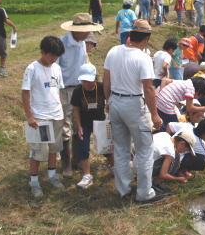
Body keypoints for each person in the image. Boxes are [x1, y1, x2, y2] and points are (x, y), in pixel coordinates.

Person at [103, 19, 164, 204]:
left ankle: (123, 190)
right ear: (145, 40)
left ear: (130, 36)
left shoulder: (113, 51)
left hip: (115, 101)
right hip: (134, 105)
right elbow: (148, 89)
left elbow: (106, 79)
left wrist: (108, 101)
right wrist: (154, 114)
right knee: (144, 150)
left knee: (121, 149)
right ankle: (145, 193)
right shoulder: (143, 58)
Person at [58, 13, 103, 178]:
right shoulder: (61, 43)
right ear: (76, 30)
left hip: (80, 89)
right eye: (86, 31)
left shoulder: (83, 43)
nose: (88, 34)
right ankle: (66, 164)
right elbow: (54, 70)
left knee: (79, 125)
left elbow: (85, 63)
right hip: (63, 89)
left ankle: (78, 160)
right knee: (65, 128)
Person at [22, 36, 66, 198]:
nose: (53, 59)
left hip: (56, 115)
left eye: (56, 56)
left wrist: (61, 110)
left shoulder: (57, 68)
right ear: (43, 52)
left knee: (54, 149)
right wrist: (30, 116)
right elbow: (25, 93)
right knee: (38, 152)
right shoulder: (32, 68)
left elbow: (59, 91)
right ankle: (34, 181)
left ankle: (52, 176)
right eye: (51, 55)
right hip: (40, 117)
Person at [71, 63, 112, 189]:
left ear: (95, 78)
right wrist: (78, 126)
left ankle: (115, 167)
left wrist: (108, 107)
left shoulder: (101, 87)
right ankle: (87, 175)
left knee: (107, 146)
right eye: (84, 81)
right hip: (84, 123)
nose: (86, 83)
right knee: (83, 146)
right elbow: (76, 110)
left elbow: (110, 100)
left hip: (100, 121)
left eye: (89, 80)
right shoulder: (78, 91)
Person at [151, 129, 196, 194]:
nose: (184, 151)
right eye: (186, 150)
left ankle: (153, 182)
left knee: (175, 157)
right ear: (182, 143)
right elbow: (163, 175)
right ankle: (154, 184)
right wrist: (177, 178)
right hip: (143, 168)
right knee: (175, 159)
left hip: (138, 159)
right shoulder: (170, 152)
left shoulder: (165, 134)